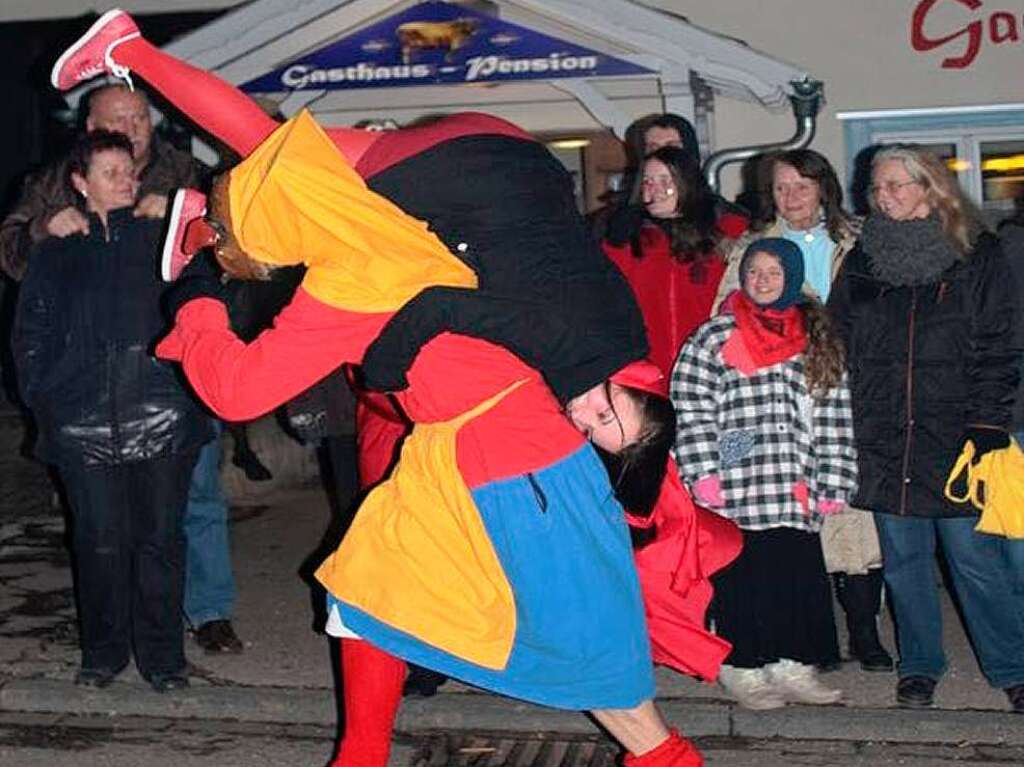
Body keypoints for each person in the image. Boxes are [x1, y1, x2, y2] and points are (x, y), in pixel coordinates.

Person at [50, 9, 704, 766]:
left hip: (501, 459)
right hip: (495, 452)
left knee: (403, 617)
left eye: (217, 227)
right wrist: (198, 297)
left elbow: (261, 171)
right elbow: (236, 387)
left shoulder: (381, 233)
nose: (588, 407)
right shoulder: (364, 268)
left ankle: (372, 755)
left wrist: (203, 280)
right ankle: (363, 755)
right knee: (600, 679)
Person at [0, 81, 243, 655]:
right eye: (120, 118)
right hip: (92, 387)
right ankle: (112, 638)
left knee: (196, 501)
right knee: (104, 528)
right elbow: (12, 258)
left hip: (175, 377)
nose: (134, 128)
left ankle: (209, 612)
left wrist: (189, 220)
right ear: (90, 127)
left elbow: (237, 247)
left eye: (140, 117)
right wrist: (41, 228)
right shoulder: (56, 180)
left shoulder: (183, 171)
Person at [828, 144, 1024, 712]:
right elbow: (839, 338)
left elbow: (999, 344)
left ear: (929, 187)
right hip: (886, 434)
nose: (882, 197)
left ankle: (1011, 665)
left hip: (956, 434)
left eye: (895, 185)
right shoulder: (863, 258)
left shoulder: (974, 253)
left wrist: (987, 421)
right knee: (905, 563)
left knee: (974, 561)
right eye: (877, 188)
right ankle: (919, 666)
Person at [713, 148, 892, 674]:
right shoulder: (753, 247)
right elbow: (726, 315)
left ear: (824, 188)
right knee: (792, 519)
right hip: (778, 402)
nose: (790, 197)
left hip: (854, 391)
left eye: (801, 186)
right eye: (780, 188)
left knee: (855, 515)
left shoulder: (859, 241)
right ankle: (807, 635)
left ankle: (864, 630)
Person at [672, 237, 856, 710]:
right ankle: (744, 665)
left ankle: (792, 663)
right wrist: (704, 471)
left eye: (774, 273)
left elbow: (833, 411)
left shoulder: (814, 338)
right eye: (754, 272)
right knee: (743, 573)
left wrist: (834, 477)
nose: (763, 281)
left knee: (793, 571)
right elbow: (691, 407)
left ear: (791, 278)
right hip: (738, 475)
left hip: (795, 472)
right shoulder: (715, 336)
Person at [603, 145, 748, 377]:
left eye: (665, 180)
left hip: (716, 367)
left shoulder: (729, 231)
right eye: (647, 181)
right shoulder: (626, 241)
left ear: (686, 182)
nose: (655, 190)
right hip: (647, 373)